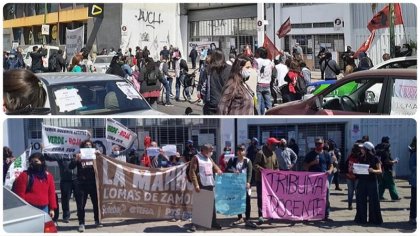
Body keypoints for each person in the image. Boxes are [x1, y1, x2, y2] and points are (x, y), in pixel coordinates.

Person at [69, 139, 102, 232]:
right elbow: (70, 166)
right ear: (83, 147)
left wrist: (100, 156)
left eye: (90, 145)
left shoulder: (96, 154)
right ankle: (81, 223)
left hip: (93, 183)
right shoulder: (78, 154)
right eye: (86, 145)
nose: (88, 146)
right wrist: (76, 159)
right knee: (81, 205)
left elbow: (103, 165)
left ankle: (97, 220)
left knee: (96, 203)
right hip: (81, 184)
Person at [188, 144, 223, 231]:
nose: (211, 152)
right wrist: (196, 184)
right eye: (209, 151)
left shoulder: (209, 158)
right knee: (199, 205)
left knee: (211, 204)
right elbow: (192, 172)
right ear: (203, 150)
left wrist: (218, 170)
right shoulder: (196, 158)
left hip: (210, 184)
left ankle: (213, 222)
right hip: (200, 184)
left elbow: (214, 166)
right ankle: (195, 224)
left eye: (211, 151)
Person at [13, 153, 57, 219]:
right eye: (31, 162)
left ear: (42, 162)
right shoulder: (24, 175)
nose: (33, 163)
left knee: (43, 228)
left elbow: (51, 193)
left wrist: (52, 209)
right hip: (29, 208)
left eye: (36, 161)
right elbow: (20, 194)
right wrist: (22, 209)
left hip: (44, 208)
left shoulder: (48, 176)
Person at [226, 144, 256, 228]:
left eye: (242, 150)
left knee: (247, 201)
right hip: (235, 185)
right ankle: (240, 217)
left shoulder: (248, 161)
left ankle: (248, 219)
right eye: (239, 150)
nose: (240, 151)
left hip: (246, 185)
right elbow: (227, 169)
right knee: (238, 201)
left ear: (245, 152)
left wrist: (248, 182)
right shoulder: (232, 160)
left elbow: (250, 173)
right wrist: (233, 171)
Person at [303, 137, 333, 221]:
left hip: (323, 179)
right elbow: (305, 167)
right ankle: (308, 213)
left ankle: (325, 214)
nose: (318, 145)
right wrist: (312, 163)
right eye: (316, 144)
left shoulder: (326, 154)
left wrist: (330, 170)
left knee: (325, 197)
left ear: (323, 144)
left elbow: (331, 165)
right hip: (312, 180)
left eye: (319, 143)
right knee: (310, 197)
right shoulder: (310, 154)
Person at [43, 152, 78, 223]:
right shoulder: (60, 155)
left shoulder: (77, 153)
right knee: (65, 199)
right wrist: (44, 150)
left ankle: (80, 214)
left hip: (77, 180)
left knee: (80, 199)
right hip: (65, 180)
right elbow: (48, 157)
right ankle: (66, 217)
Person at [354, 141, 383, 225]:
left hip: (372, 182)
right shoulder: (360, 157)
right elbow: (358, 168)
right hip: (362, 181)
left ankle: (374, 219)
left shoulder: (375, 158)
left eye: (362, 148)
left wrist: (373, 170)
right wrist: (355, 170)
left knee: (373, 201)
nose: (361, 149)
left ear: (367, 149)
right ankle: (361, 218)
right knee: (360, 200)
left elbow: (380, 170)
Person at [254, 137, 280, 225]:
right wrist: (262, 170)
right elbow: (255, 165)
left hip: (271, 181)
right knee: (261, 198)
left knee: (270, 198)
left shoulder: (274, 154)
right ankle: (260, 215)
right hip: (261, 180)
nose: (276, 146)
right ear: (269, 144)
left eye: (276, 145)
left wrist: (277, 171)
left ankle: (269, 215)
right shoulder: (260, 153)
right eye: (274, 145)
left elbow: (276, 166)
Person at [200, 48, 231, 115]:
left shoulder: (209, 69)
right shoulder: (229, 69)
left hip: (211, 105)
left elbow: (204, 88)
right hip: (226, 105)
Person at [376, 136, 401, 201]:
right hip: (387, 169)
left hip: (380, 169)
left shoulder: (378, 148)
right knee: (391, 183)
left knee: (382, 184)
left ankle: (378, 196)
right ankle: (395, 197)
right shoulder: (385, 150)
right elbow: (387, 161)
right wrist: (394, 161)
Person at [255, 47, 274, 115]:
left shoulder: (256, 61)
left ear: (259, 53)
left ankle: (259, 117)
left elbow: (254, 71)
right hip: (267, 84)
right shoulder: (270, 62)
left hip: (259, 84)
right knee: (269, 103)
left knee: (258, 104)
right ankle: (270, 115)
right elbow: (272, 69)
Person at [345, 142, 361, 210]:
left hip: (356, 177)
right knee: (351, 191)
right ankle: (350, 204)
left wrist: (356, 176)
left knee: (356, 192)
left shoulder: (361, 157)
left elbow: (361, 168)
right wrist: (346, 173)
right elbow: (345, 166)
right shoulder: (350, 156)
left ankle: (356, 205)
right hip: (349, 176)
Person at [408, 136, 416, 225]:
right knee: (414, 200)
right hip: (416, 182)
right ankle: (412, 217)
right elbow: (411, 166)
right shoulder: (415, 154)